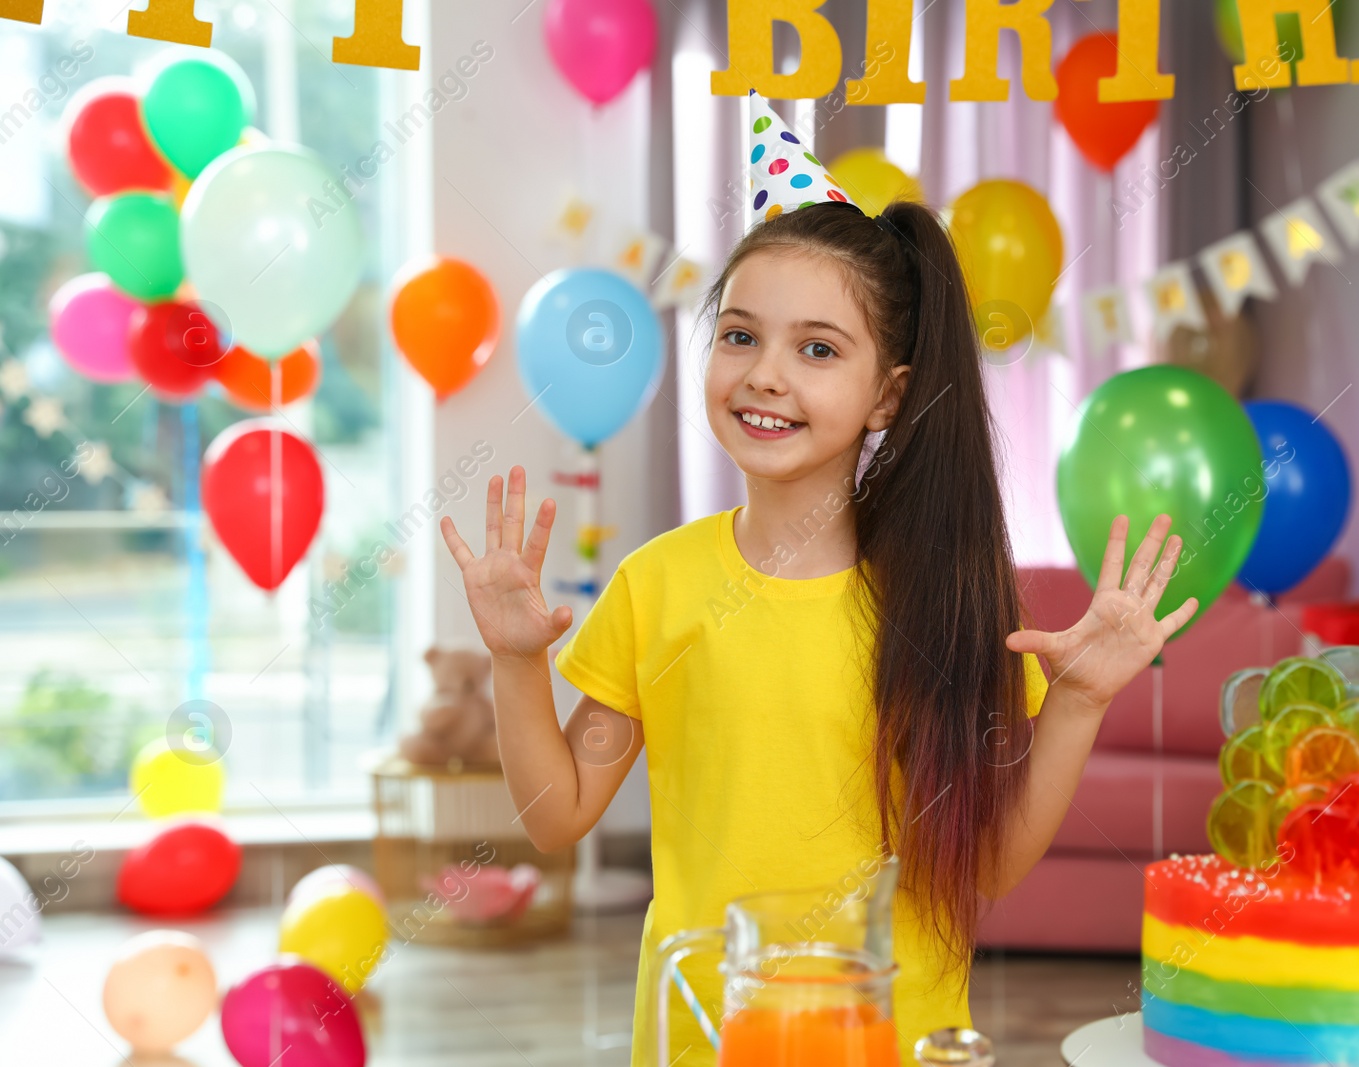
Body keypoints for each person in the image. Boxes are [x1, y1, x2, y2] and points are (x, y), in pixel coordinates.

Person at [440, 196, 1196, 1066]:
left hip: (889, 1035)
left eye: (817, 348)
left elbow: (981, 868)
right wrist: (516, 659)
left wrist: (1079, 701)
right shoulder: (656, 584)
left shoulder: (944, 599)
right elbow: (555, 815)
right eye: (739, 335)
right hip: (702, 1035)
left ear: (889, 395)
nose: (765, 373)